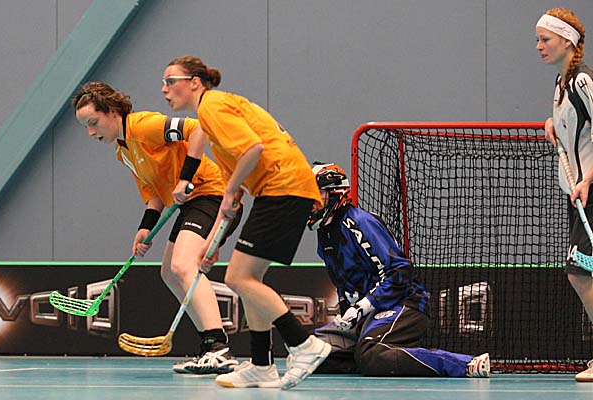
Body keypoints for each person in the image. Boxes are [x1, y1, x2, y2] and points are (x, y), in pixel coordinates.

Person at [162, 56, 331, 389]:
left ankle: (304, 344)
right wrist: (213, 242)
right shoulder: (211, 119)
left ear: (194, 82)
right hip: (278, 190)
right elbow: (235, 192)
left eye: (170, 81)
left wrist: (228, 192)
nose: (165, 90)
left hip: (284, 187)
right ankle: (261, 365)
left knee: (239, 278)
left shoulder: (212, 106)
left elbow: (252, 149)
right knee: (250, 278)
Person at [72, 82, 242, 375]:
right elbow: (153, 194)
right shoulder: (123, 151)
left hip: (212, 194)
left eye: (93, 122)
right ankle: (209, 346)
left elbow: (198, 129)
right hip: (191, 204)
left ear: (111, 112)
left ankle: (219, 348)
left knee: (183, 265)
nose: (90, 132)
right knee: (169, 272)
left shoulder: (144, 126)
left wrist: (185, 179)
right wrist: (145, 228)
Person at [307, 162, 490, 378]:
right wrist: (350, 315)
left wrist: (362, 307)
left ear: (335, 193)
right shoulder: (325, 234)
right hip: (367, 315)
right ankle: (369, 356)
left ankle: (463, 364)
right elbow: (344, 283)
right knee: (309, 351)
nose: (311, 202)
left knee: (371, 354)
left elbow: (400, 271)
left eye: (316, 194)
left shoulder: (358, 222)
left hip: (405, 303)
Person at [537, 8, 593, 383]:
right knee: (583, 274)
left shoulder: (583, 81)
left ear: (567, 41)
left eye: (545, 39)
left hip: (591, 193)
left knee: (580, 275)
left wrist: (588, 180)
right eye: (538, 40)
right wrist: (552, 122)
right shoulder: (562, 84)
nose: (539, 46)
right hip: (578, 198)